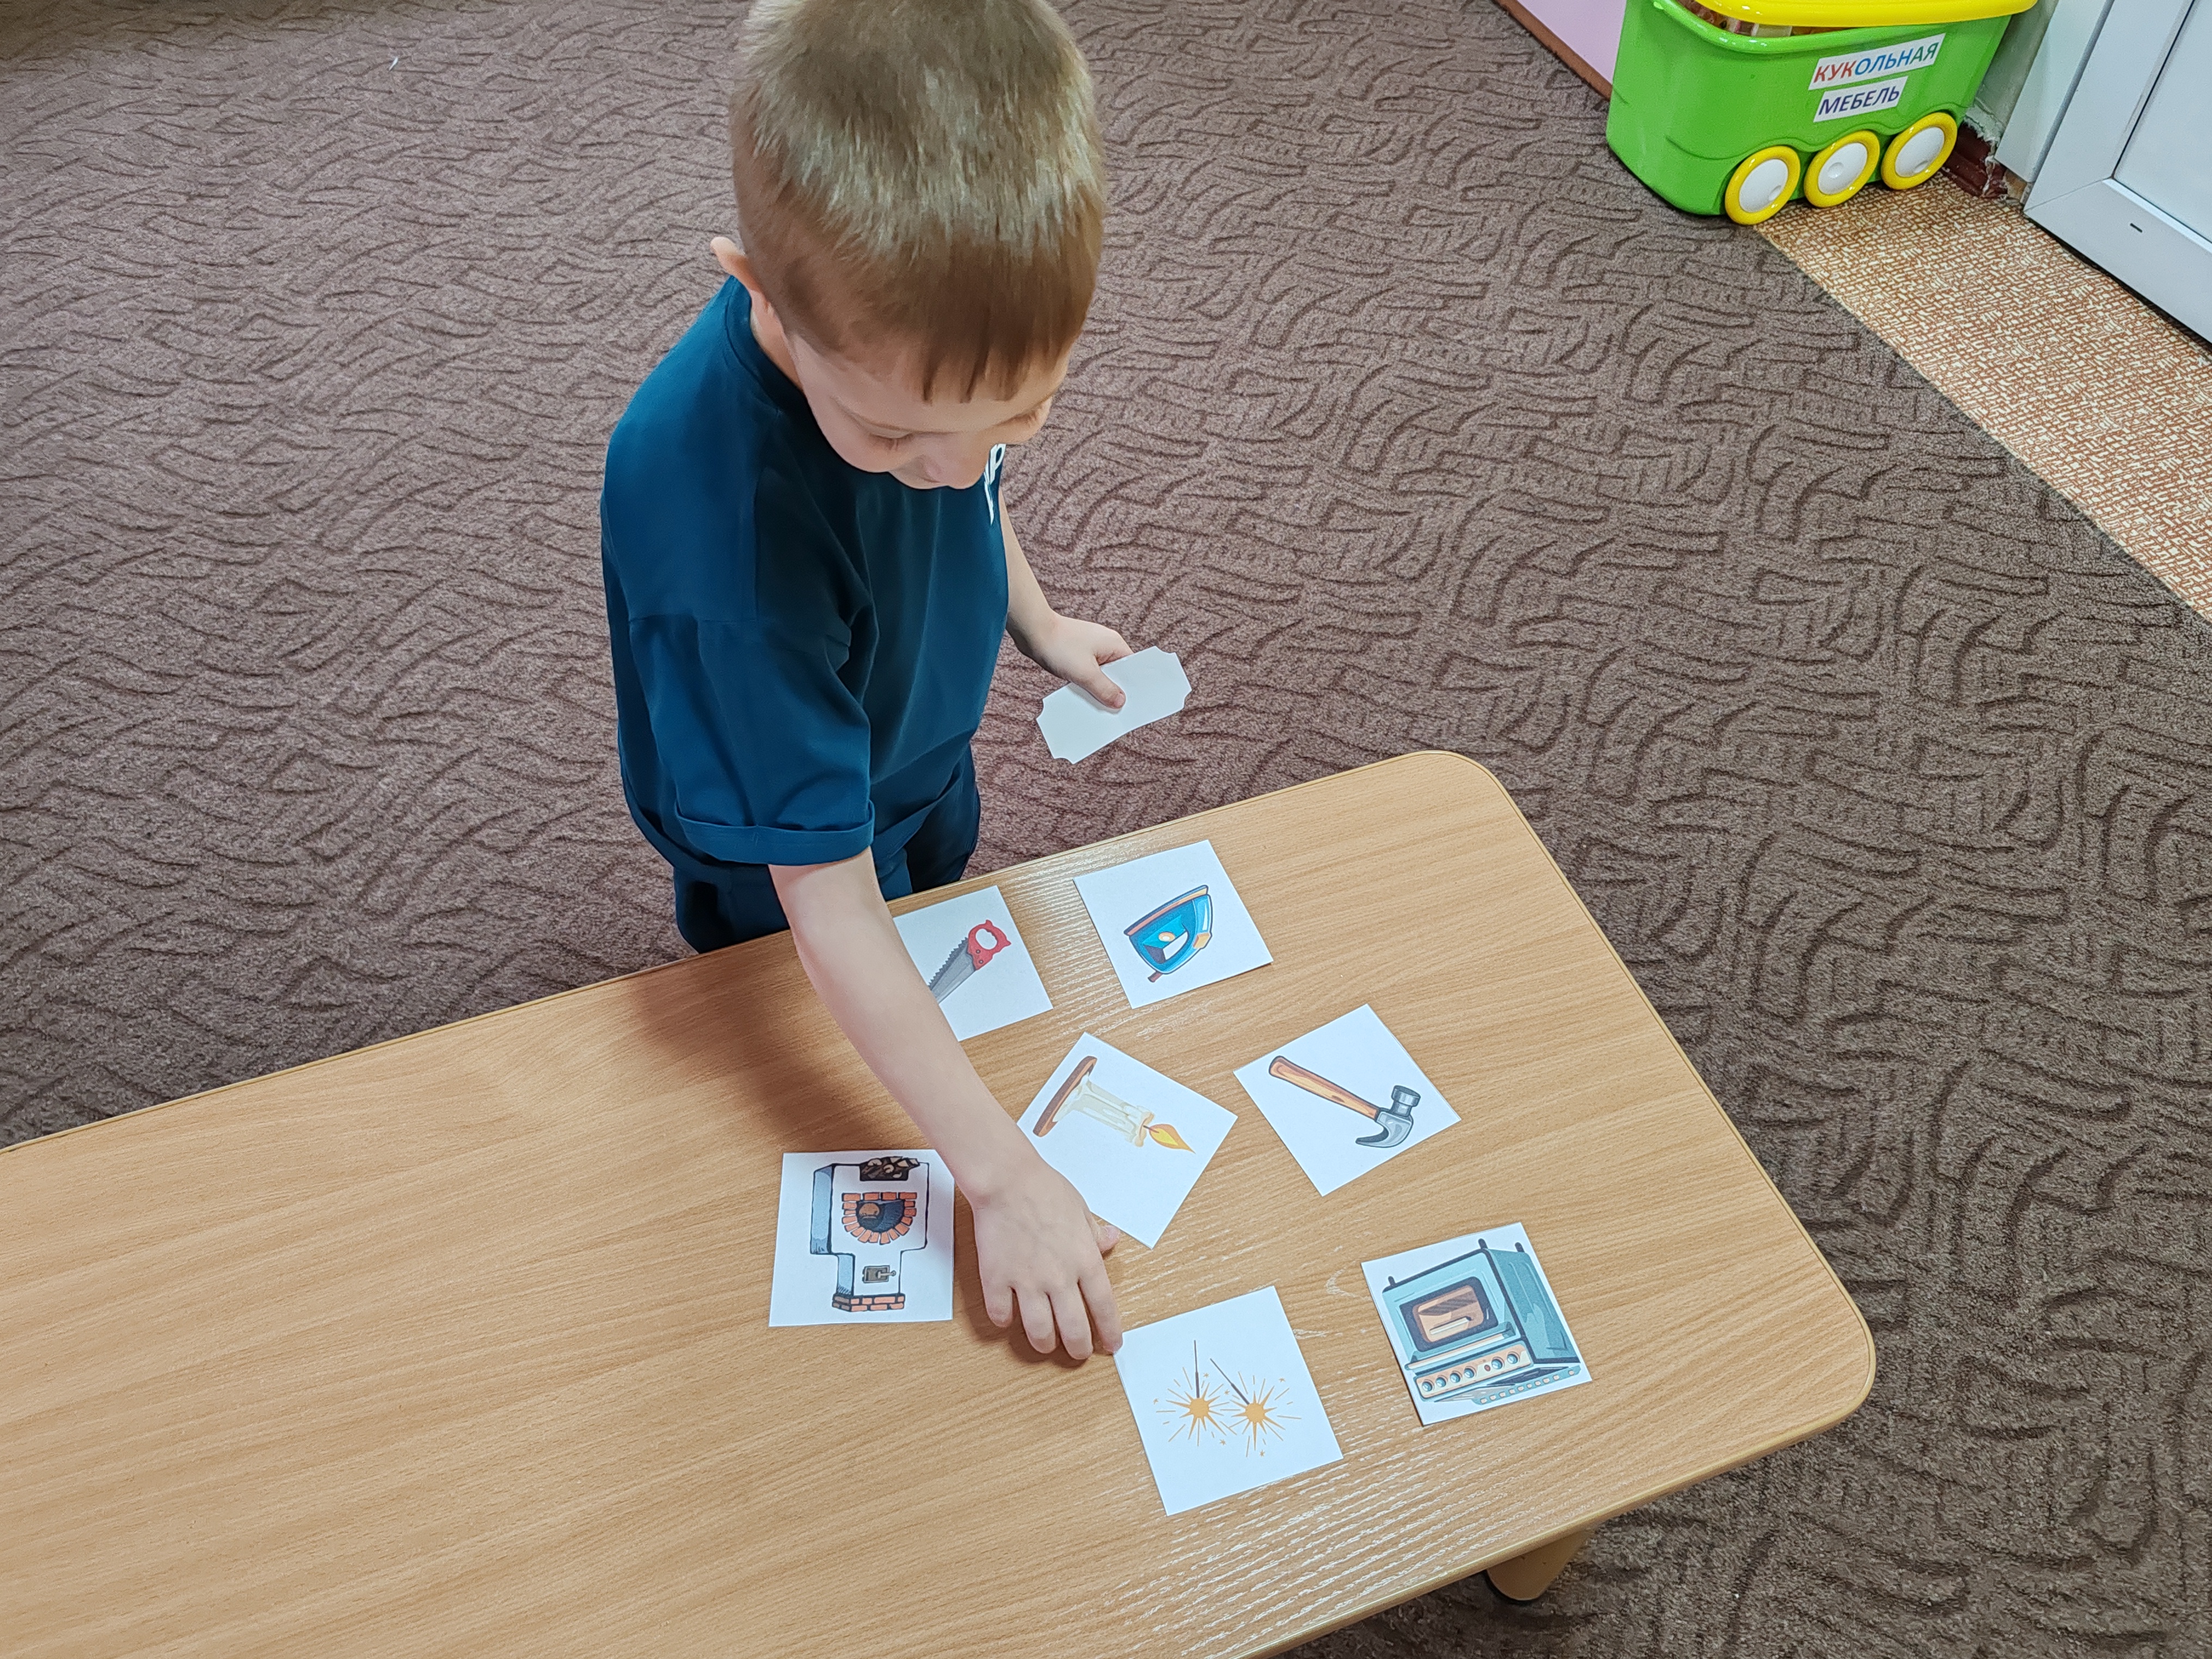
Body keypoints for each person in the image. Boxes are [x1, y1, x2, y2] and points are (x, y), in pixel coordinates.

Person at [599, 0, 1128, 1361]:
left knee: (934, 911)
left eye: (1020, 413)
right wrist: (1000, 1180)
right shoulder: (721, 531)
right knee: (800, 997)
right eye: (893, 438)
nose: (951, 467)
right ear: (757, 288)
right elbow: (823, 903)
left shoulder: (920, 386)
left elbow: (970, 484)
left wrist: (1038, 621)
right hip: (787, 844)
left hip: (915, 750)